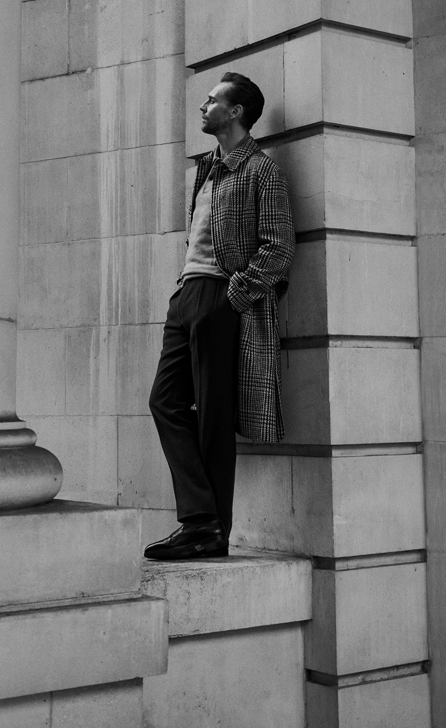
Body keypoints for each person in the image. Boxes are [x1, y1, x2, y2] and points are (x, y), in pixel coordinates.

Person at [144, 72, 295, 561]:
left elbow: (278, 250)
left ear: (235, 113)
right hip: (186, 295)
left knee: (212, 418)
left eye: (212, 100)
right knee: (164, 402)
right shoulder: (206, 168)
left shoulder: (261, 171)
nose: (202, 106)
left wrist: (232, 297)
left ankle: (208, 531)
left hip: (220, 297)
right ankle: (201, 518)